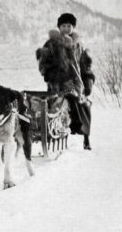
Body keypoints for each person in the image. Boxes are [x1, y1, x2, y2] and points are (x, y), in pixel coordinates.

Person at [35, 12, 95, 150]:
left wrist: (88, 81)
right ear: (59, 27)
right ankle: (56, 135)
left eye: (69, 26)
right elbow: (43, 64)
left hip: (76, 84)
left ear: (73, 27)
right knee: (57, 108)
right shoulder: (51, 43)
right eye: (63, 26)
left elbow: (85, 65)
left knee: (84, 108)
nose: (66, 29)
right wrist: (52, 75)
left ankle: (86, 138)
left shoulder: (78, 44)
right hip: (57, 85)